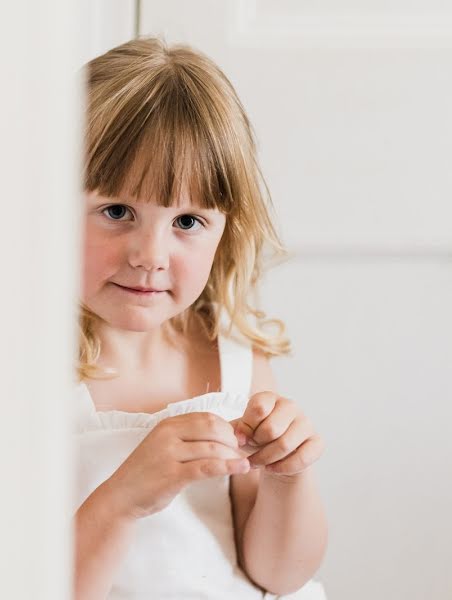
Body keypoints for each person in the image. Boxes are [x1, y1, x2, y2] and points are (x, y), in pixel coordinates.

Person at [72, 36, 329, 599]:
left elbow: (279, 576)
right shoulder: (34, 375)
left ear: (224, 231)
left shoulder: (231, 358)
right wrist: (121, 501)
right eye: (117, 211)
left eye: (187, 222)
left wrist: (288, 479)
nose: (151, 254)